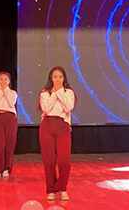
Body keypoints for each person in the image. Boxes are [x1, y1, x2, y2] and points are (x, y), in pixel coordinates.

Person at [39, 66, 76, 200]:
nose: (58, 80)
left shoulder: (69, 93)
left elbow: (68, 108)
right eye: (55, 77)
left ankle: (62, 187)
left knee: (64, 160)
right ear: (51, 78)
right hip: (47, 126)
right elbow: (46, 109)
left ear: (64, 78)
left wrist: (59, 92)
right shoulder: (44, 93)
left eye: (60, 77)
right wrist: (54, 94)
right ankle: (51, 190)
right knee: (49, 160)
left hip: (62, 126)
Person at [0, 71, 18, 177]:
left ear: (9, 81)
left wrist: (6, 90)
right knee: (0, 145)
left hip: (10, 118)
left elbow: (11, 103)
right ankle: (0, 167)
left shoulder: (13, 93)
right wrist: (1, 91)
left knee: (10, 144)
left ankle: (7, 168)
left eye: (6, 79)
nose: (3, 81)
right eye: (1, 79)